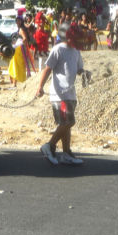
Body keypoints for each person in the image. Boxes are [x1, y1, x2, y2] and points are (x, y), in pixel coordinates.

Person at [36, 22, 85, 166]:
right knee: (69, 122)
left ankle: (66, 153)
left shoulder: (76, 52)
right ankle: (49, 146)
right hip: (59, 94)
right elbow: (47, 69)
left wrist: (84, 73)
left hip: (71, 94)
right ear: (69, 36)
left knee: (66, 125)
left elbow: (78, 69)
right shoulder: (58, 50)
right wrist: (40, 86)